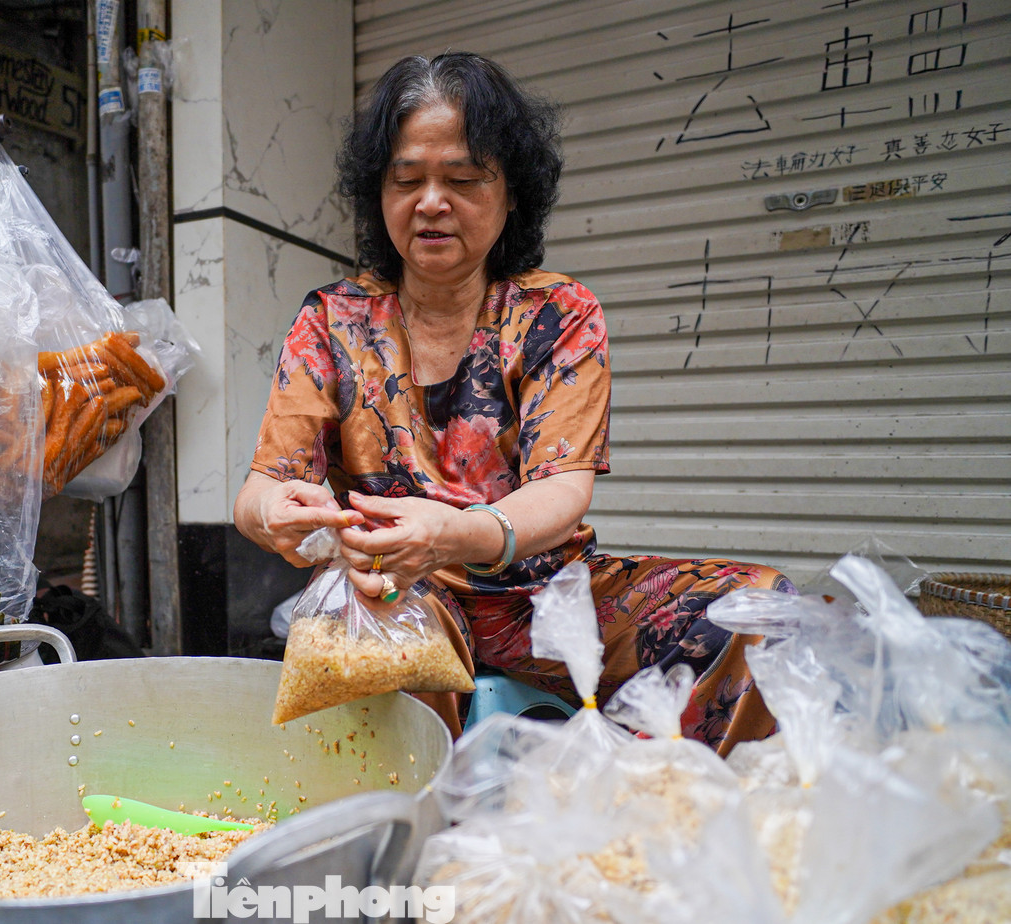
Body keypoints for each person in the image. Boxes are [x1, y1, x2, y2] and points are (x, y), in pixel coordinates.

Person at [233, 52, 792, 754]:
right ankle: (412, 852)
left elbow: (563, 489)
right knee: (373, 654)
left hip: (551, 595)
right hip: (401, 590)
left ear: (512, 192)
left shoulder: (557, 311)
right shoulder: (330, 321)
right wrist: (275, 515)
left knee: (758, 613)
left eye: (462, 179)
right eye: (407, 179)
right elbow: (262, 489)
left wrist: (459, 533)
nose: (431, 201)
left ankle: (694, 821)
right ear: (379, 193)